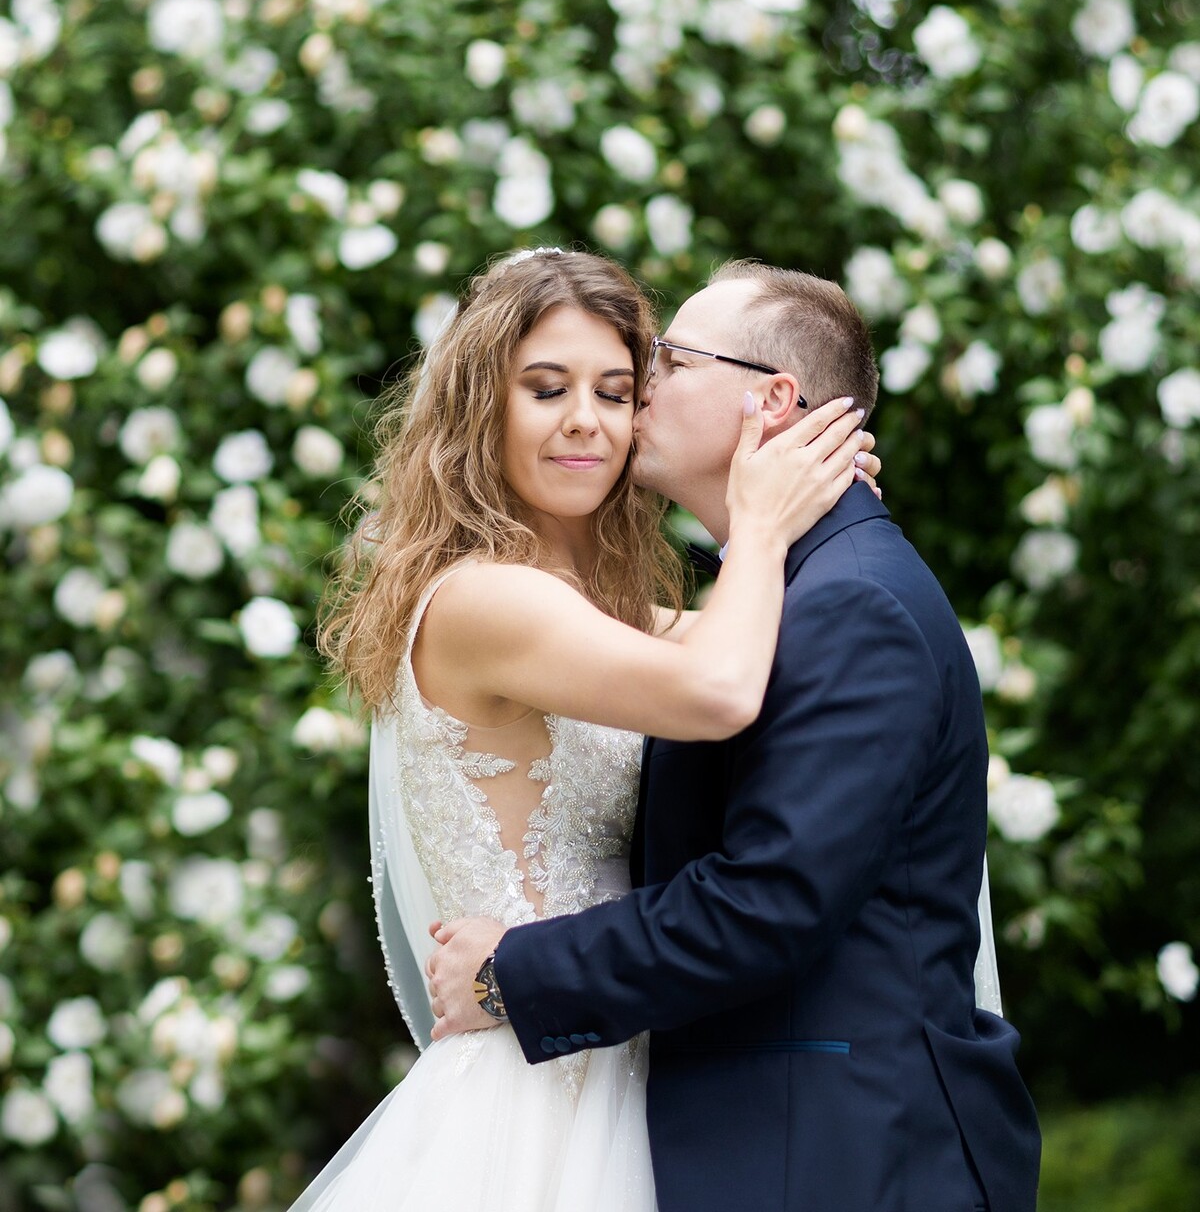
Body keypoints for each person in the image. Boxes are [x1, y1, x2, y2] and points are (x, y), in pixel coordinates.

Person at [428, 261, 1042, 1212]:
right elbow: (688, 659)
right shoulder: (786, 600)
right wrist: (761, 529)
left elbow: (770, 901)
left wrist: (514, 974)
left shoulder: (848, 607)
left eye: (668, 361)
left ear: (773, 399)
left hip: (843, 1153)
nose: (642, 385)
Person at [288, 247, 878, 1212]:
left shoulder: (590, 609)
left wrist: (826, 511)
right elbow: (721, 689)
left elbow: (767, 648)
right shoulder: (486, 600)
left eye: (614, 391)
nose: (583, 422)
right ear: (483, 405)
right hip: (537, 1097)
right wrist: (765, 527)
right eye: (545, 388)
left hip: (622, 1049)